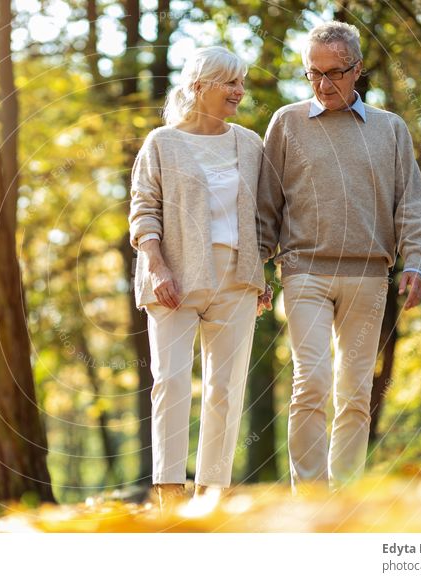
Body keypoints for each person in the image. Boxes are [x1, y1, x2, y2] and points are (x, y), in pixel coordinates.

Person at [257, 21, 421, 491]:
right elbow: (266, 204)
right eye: (313, 73)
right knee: (310, 382)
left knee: (354, 395)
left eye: (334, 73)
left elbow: (412, 203)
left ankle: (345, 498)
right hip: (304, 271)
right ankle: (310, 500)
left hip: (369, 275)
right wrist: (258, 269)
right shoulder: (287, 123)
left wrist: (415, 261)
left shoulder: (390, 129)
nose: (323, 84)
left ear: (357, 70)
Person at [128, 46, 271, 511]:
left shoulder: (250, 144)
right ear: (199, 87)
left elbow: (262, 214)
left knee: (225, 386)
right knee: (170, 381)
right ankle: (170, 492)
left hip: (237, 278)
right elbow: (143, 210)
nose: (239, 91)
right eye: (229, 83)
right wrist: (156, 265)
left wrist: (261, 270)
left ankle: (214, 492)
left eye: (241, 82)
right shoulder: (162, 143)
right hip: (175, 276)